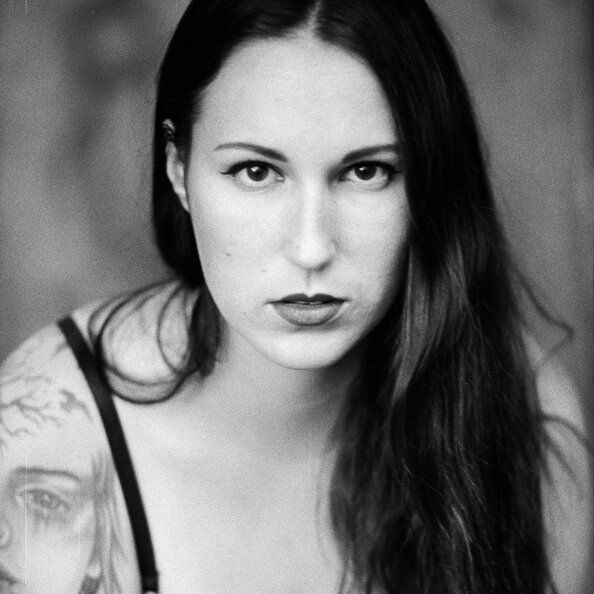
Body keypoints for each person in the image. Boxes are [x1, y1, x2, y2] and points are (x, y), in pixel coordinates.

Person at [0, 0, 591, 592]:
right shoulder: (44, 450)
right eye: (256, 171)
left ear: (430, 180)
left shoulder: (521, 413)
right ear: (178, 168)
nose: (311, 248)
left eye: (366, 172)